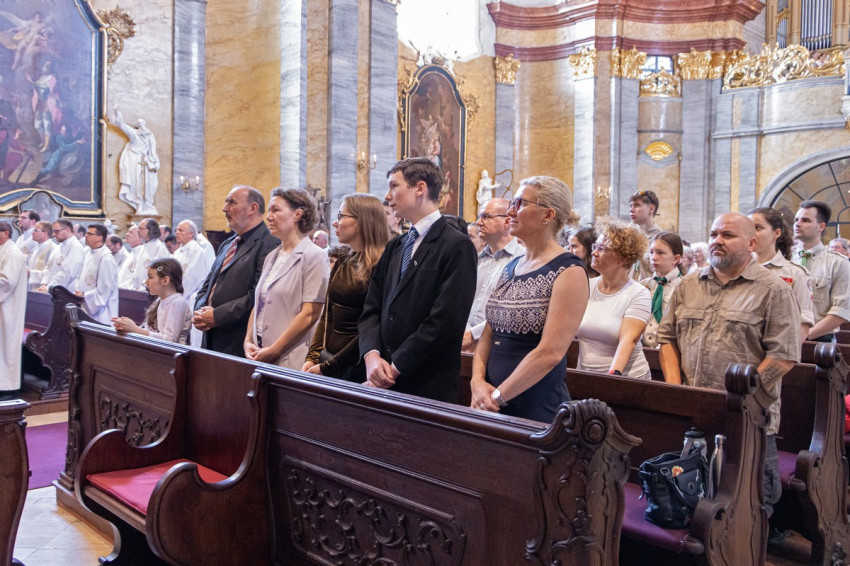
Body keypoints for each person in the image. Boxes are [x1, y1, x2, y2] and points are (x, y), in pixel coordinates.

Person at [657, 212, 801, 521]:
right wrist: (675, 389)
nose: (717, 241)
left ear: (751, 243)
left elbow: (784, 356)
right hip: (695, 413)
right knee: (691, 501)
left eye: (728, 235)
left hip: (748, 419)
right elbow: (667, 339)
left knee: (752, 507)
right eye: (714, 234)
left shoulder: (773, 289)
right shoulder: (688, 284)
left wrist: (740, 397)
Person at [470, 176, 588, 421]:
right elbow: (489, 334)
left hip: (536, 407)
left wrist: (497, 397)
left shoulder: (569, 270)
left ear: (548, 214)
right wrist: (477, 382)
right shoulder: (510, 266)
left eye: (520, 203)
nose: (511, 211)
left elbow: (550, 353)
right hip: (491, 401)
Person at [359, 157, 477, 402]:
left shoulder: (456, 245)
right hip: (380, 375)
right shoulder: (396, 246)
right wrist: (371, 356)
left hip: (426, 383)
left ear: (420, 188)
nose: (387, 196)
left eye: (394, 186)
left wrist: (395, 367)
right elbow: (371, 308)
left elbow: (445, 321)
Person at [304, 194, 390, 380]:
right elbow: (327, 315)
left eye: (341, 216)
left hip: (357, 365)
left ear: (362, 221)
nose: (335, 223)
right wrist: (313, 357)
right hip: (329, 361)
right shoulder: (343, 261)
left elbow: (372, 327)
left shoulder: (383, 265)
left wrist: (330, 366)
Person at [244, 188, 329, 369]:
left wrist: (275, 350)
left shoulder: (314, 256)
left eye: (275, 210)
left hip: (290, 356)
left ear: (297, 214)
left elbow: (310, 314)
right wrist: (248, 340)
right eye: (269, 211)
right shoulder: (272, 256)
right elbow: (259, 303)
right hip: (260, 350)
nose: (268, 217)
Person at [193, 185, 279, 357]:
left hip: (238, 341)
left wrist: (217, 316)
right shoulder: (227, 244)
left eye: (231, 202)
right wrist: (200, 311)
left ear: (252, 208)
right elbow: (208, 285)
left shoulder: (270, 243)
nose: (225, 208)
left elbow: (257, 295)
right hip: (210, 336)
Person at [576, 219, 652, 379]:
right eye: (595, 246)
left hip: (626, 379)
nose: (594, 253)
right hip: (586, 377)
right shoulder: (586, 286)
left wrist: (612, 379)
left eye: (601, 249)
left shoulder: (638, 294)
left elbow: (628, 341)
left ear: (622, 258)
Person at [463, 198, 524, 352]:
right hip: (463, 342)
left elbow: (512, 310)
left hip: (499, 345)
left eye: (486, 217)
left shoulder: (522, 260)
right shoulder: (475, 260)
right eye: (480, 217)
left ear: (507, 221)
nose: (479, 222)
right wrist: (465, 332)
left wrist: (474, 334)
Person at [750, 207, 814, 345]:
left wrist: (780, 356)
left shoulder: (794, 273)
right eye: (748, 228)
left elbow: (802, 326)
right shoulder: (736, 269)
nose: (751, 233)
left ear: (776, 233)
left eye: (758, 228)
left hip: (775, 349)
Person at [792, 200, 850, 342]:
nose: (797, 224)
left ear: (821, 226)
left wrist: (805, 335)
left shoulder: (838, 263)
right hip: (782, 339)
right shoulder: (785, 259)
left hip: (818, 340)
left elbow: (841, 311)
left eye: (805, 220)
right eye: (796, 220)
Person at [112, 258, 192, 344]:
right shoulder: (160, 301)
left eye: (150, 277)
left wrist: (135, 329)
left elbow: (170, 340)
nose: (146, 282)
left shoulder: (178, 302)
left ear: (165, 281)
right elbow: (149, 330)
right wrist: (126, 326)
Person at [640, 232, 684, 348]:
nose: (653, 257)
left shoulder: (684, 287)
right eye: (651, 252)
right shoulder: (643, 285)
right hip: (642, 349)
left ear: (676, 258)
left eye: (660, 253)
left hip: (668, 349)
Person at [114, 106, 160, 215]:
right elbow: (121, 124)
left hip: (147, 163)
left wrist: (155, 162)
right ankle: (140, 204)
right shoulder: (134, 134)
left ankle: (147, 204)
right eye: (140, 124)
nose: (142, 126)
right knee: (137, 184)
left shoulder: (150, 136)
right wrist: (117, 111)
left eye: (143, 123)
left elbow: (153, 152)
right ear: (137, 126)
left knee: (149, 184)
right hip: (135, 162)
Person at [0, 221, 27, 399]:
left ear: (6, 233)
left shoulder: (14, 254)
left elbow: (6, 281)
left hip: (8, 309)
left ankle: (8, 388)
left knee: (6, 347)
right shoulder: (3, 250)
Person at [74, 224, 118, 324]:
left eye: (89, 234)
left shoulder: (106, 258)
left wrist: (84, 295)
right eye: (86, 233)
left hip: (100, 313)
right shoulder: (88, 253)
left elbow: (105, 289)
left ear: (99, 237)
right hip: (84, 304)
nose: (86, 235)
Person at [38, 219, 85, 292]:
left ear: (67, 230)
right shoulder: (59, 247)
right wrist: (44, 283)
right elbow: (48, 267)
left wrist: (49, 288)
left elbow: (67, 273)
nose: (54, 234)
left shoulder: (75, 247)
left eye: (57, 231)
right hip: (52, 290)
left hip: (65, 292)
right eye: (53, 231)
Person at [126, 219, 168, 290]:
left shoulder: (159, 247)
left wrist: (144, 286)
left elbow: (159, 272)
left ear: (150, 230)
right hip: (137, 289)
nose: (138, 230)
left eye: (141, 228)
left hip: (149, 290)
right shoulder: (143, 247)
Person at [628, 189, 661, 280]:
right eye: (630, 206)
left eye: (637, 205)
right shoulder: (627, 234)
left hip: (647, 285)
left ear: (651, 208)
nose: (631, 209)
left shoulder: (660, 238)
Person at [27, 221, 55, 289]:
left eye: (35, 230)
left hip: (43, 288)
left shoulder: (52, 248)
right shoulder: (38, 248)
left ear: (45, 233)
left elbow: (50, 273)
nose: (32, 233)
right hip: (33, 286)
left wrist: (31, 273)